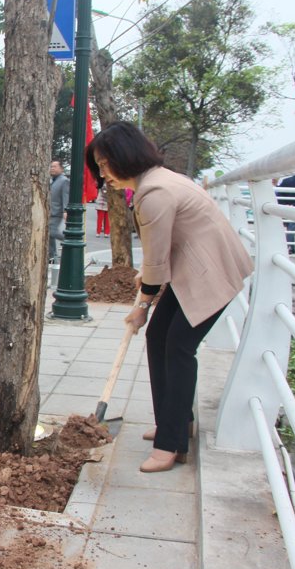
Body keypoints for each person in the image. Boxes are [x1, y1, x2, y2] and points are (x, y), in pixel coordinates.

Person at [85, 121, 253, 473]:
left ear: (124, 157)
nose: (103, 174)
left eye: (104, 164)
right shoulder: (157, 182)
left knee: (177, 347)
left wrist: (142, 304)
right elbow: (157, 256)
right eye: (98, 166)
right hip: (191, 273)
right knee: (159, 337)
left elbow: (158, 263)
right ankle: (173, 422)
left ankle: (171, 444)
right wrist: (147, 280)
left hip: (210, 275)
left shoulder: (154, 192)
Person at [48, 160, 70, 262]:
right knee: (49, 234)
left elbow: (65, 196)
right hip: (50, 211)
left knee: (51, 232)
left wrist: (65, 210)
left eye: (55, 166)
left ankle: (69, 240)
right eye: (51, 166)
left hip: (57, 212)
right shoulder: (53, 180)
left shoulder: (64, 180)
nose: (52, 168)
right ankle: (52, 256)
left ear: (61, 168)